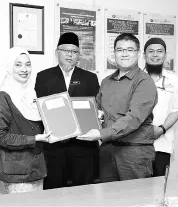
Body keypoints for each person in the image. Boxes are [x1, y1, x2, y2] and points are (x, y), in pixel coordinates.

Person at [77, 33, 158, 181]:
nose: (124, 54)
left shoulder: (144, 82)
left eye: (130, 50)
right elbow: (96, 109)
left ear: (138, 53)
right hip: (107, 151)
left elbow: (133, 118)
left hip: (134, 152)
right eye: (120, 50)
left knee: (135, 201)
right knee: (109, 199)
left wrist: (102, 134)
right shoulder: (107, 82)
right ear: (114, 53)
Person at [35, 32, 100, 189]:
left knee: (83, 191)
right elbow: (40, 110)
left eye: (74, 51)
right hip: (55, 146)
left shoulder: (90, 78)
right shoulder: (43, 77)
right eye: (65, 50)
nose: (69, 55)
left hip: (83, 146)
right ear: (57, 52)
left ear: (79, 56)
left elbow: (95, 107)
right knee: (54, 191)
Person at [0, 47, 51, 194]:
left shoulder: (32, 93)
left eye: (28, 64)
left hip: (37, 167)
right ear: (10, 67)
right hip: (17, 170)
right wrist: (34, 139)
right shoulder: (2, 97)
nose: (24, 69)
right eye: (18, 65)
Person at [143, 37, 178, 176]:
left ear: (165, 55)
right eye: (151, 51)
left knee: (159, 188)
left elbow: (176, 109)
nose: (155, 55)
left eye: (159, 51)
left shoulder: (174, 80)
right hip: (137, 145)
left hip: (163, 144)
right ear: (144, 55)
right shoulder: (135, 78)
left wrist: (161, 129)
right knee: (137, 188)